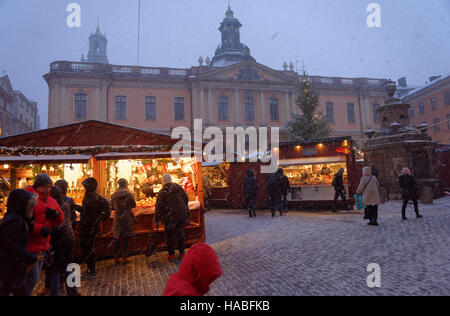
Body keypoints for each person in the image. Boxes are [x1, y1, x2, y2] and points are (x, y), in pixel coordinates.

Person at [24, 174, 64, 296]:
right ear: (38, 186)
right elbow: (24, 222)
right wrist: (40, 229)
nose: (48, 189)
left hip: (43, 245)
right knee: (31, 278)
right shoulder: (28, 198)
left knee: (33, 278)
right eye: (45, 187)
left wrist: (56, 214)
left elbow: (60, 220)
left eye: (49, 187)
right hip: (29, 245)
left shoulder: (51, 200)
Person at [0, 189, 39, 296]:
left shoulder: (18, 218)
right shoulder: (14, 221)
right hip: (10, 268)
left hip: (12, 267)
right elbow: (12, 245)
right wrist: (28, 256)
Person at [46, 186, 81, 296]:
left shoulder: (54, 209)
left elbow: (55, 226)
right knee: (69, 265)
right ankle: (73, 291)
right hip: (69, 238)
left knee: (55, 268)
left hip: (59, 239)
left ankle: (55, 292)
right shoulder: (66, 204)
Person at [79, 177, 111, 280]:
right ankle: (90, 269)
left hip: (90, 226)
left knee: (88, 248)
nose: (84, 188)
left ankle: (92, 271)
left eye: (85, 186)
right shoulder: (92, 196)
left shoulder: (94, 197)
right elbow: (86, 211)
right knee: (87, 248)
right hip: (89, 225)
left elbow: (105, 212)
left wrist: (96, 221)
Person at [155, 174, 189, 262]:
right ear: (170, 180)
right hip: (180, 214)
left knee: (169, 235)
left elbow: (158, 206)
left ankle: (171, 254)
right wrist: (182, 208)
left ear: (163, 182)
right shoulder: (178, 188)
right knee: (180, 234)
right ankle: (182, 253)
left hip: (169, 216)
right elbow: (186, 198)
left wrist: (157, 219)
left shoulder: (162, 192)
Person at [111, 178, 136, 265]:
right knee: (125, 238)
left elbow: (111, 207)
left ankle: (116, 258)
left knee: (117, 238)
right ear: (126, 184)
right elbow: (134, 205)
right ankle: (125, 257)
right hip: (126, 217)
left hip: (117, 218)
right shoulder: (129, 194)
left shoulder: (114, 194)